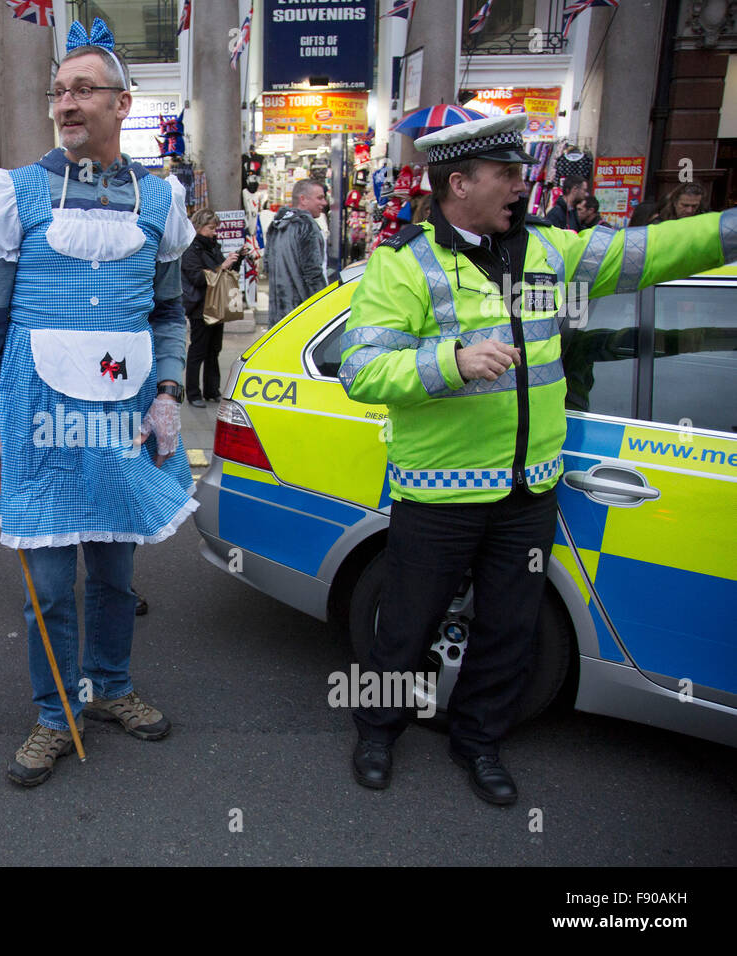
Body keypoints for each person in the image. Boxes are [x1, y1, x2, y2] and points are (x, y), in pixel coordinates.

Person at [339, 113, 736, 805]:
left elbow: (653, 251)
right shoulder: (402, 264)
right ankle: (377, 731)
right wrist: (451, 361)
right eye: (508, 176)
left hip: (528, 491)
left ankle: (480, 742)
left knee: (510, 627)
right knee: (404, 627)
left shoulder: (552, 250)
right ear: (458, 183)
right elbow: (361, 369)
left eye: (522, 174)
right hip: (438, 495)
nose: (523, 187)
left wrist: (730, 230)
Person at [0, 17, 195, 788]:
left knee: (116, 576)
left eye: (83, 89)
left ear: (124, 104)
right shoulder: (13, 194)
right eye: (58, 89)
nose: (66, 103)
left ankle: (112, 687)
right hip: (33, 417)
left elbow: (170, 313)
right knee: (49, 588)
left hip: (120, 413)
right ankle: (57, 714)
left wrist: (166, 391)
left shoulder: (158, 200)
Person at [181, 208, 246, 407]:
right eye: (211, 228)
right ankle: (193, 393)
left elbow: (222, 273)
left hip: (216, 305)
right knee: (198, 350)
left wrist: (238, 258)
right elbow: (198, 278)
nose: (214, 232)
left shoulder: (211, 247)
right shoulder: (191, 249)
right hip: (200, 306)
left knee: (214, 350)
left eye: (215, 228)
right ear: (198, 227)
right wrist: (223, 266)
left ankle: (212, 390)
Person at [266, 179, 327, 326]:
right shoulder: (306, 226)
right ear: (303, 199)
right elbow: (313, 273)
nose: (324, 203)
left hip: (278, 314)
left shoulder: (276, 225)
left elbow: (267, 266)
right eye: (319, 198)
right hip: (302, 315)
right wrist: (325, 306)